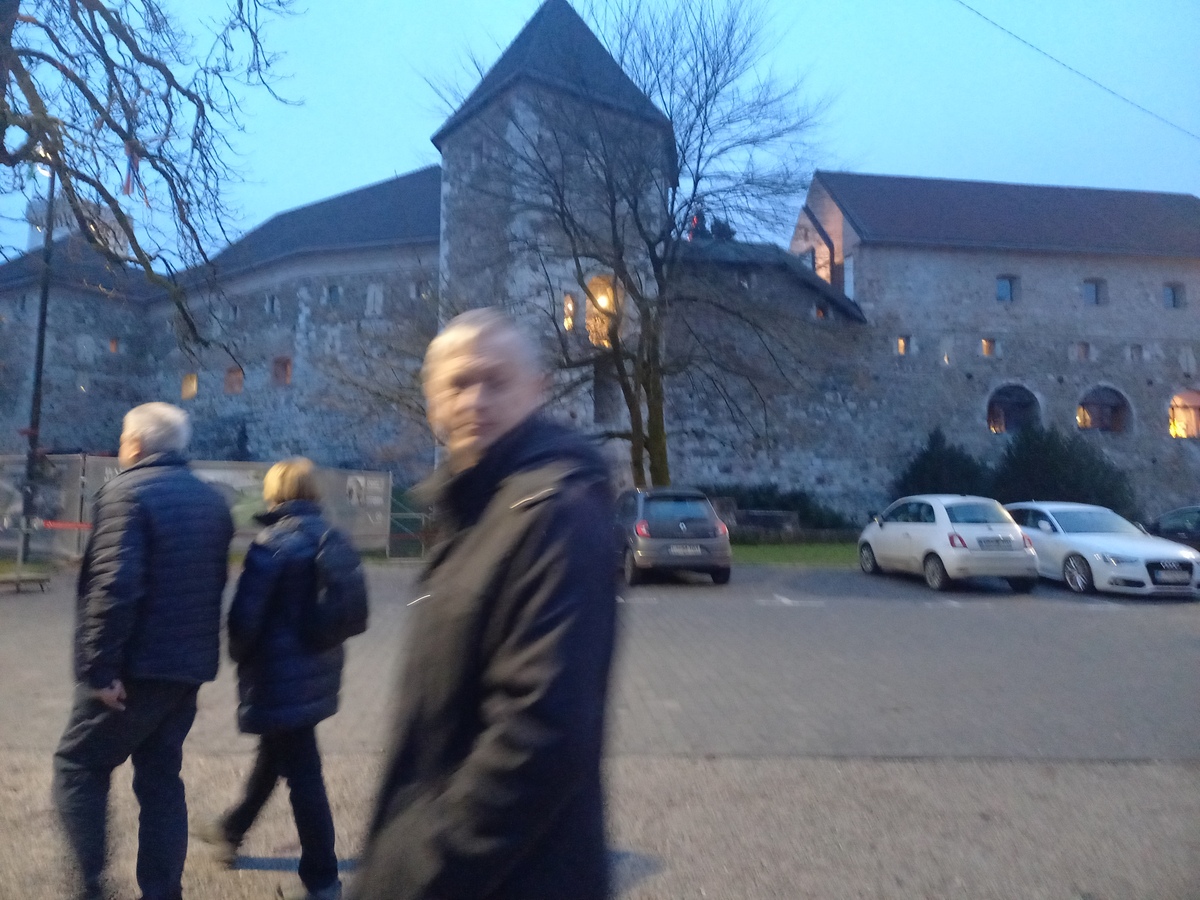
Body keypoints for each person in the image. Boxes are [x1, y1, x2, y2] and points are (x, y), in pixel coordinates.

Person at [349, 308, 618, 900]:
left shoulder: (555, 514)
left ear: (536, 390)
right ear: (432, 405)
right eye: (458, 384)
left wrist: (414, 874)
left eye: (496, 381)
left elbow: (540, 734)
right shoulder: (475, 509)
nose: (475, 400)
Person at [53, 402, 234, 900]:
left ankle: (91, 887)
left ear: (134, 445)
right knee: (160, 778)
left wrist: (99, 670)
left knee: (78, 765)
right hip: (186, 667)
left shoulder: (126, 493)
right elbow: (214, 580)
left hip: (134, 668)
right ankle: (162, 890)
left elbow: (115, 585)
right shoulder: (211, 500)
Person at [196, 457, 344, 900]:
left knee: (303, 774)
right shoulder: (331, 537)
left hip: (278, 674)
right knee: (276, 754)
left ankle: (323, 878)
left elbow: (245, 619)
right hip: (317, 670)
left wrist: (240, 656)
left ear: (274, 492)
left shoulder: (272, 543)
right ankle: (231, 829)